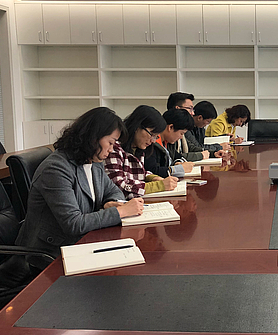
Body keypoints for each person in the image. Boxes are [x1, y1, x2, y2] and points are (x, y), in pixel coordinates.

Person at [16, 107, 145, 269]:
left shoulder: (93, 161)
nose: (112, 149)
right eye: (110, 142)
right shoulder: (56, 169)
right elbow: (73, 223)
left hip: (83, 242)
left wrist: (110, 203)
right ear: (93, 138)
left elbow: (113, 191)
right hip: (51, 254)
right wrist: (120, 212)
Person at [105, 105, 178, 199]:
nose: (153, 141)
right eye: (152, 134)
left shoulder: (138, 147)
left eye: (156, 137)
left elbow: (139, 173)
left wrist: (153, 178)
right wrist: (159, 186)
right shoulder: (113, 148)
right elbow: (119, 187)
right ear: (137, 127)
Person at [144, 108, 196, 177]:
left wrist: (178, 162)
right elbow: (152, 170)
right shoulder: (151, 144)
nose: (181, 137)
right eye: (181, 133)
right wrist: (177, 169)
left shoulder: (168, 142)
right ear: (170, 127)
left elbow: (178, 156)